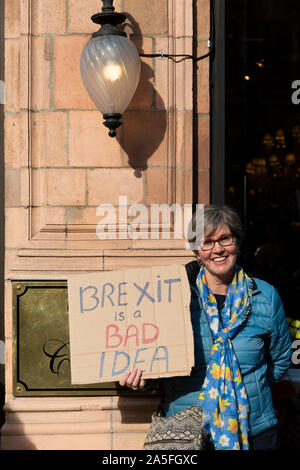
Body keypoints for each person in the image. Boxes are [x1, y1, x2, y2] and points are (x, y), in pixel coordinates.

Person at [119, 204, 292, 450]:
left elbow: (281, 358)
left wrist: (251, 388)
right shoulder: (172, 297)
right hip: (188, 433)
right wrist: (142, 378)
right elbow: (155, 358)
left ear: (238, 244)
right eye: (207, 242)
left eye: (225, 239)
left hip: (254, 430)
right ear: (196, 251)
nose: (218, 249)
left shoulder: (265, 295)